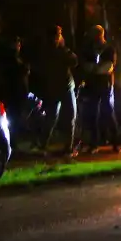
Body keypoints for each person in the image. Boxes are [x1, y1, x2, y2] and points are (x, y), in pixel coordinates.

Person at [37, 26, 78, 157]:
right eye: (59, 34)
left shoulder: (45, 51)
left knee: (52, 117)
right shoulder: (59, 50)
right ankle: (68, 148)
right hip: (64, 87)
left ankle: (43, 144)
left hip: (53, 87)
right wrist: (67, 50)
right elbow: (74, 61)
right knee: (70, 116)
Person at [79, 25, 119, 154]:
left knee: (108, 112)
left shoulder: (109, 49)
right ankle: (94, 143)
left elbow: (108, 67)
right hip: (93, 85)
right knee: (93, 115)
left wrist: (95, 69)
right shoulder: (89, 50)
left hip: (105, 85)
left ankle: (115, 142)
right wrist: (96, 69)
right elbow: (85, 66)